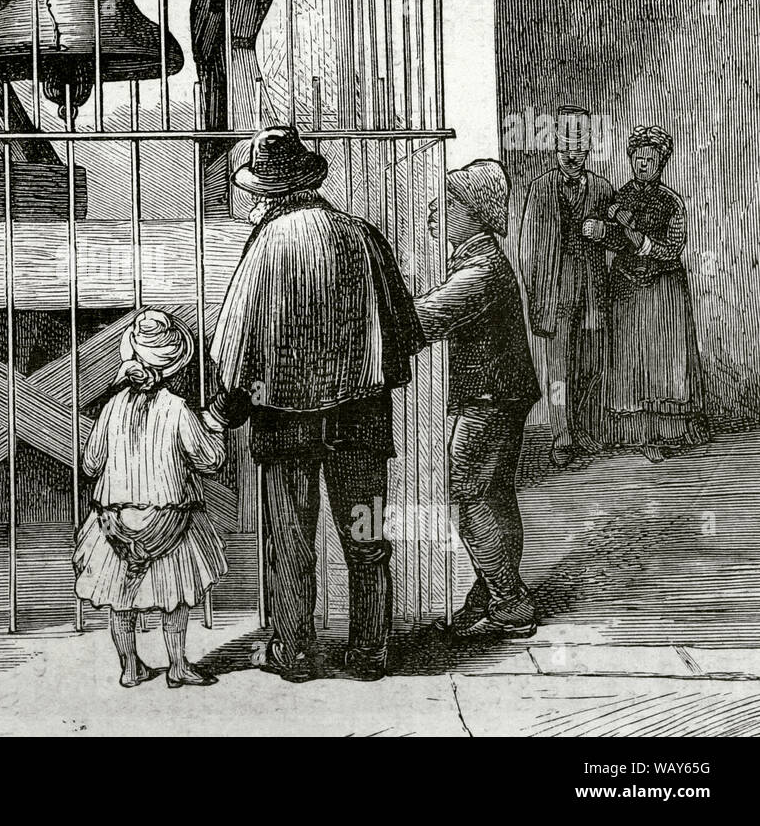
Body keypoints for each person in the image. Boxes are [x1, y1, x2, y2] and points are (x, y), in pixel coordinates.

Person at [204, 126, 425, 682]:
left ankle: (295, 652)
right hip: (360, 418)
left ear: (267, 194)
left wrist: (222, 414)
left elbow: (237, 348)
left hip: (284, 421)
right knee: (367, 534)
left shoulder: (266, 247)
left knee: (290, 539)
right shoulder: (362, 235)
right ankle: (371, 651)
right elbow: (403, 334)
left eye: (256, 196)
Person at [413, 161, 541, 639]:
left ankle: (510, 599)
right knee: (493, 490)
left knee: (471, 489)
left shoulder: (480, 271)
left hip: (491, 397)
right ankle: (493, 591)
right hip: (501, 393)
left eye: (446, 204)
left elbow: (424, 320)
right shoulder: (477, 263)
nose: (433, 211)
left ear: (473, 213)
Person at [74, 309, 228, 688]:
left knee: (120, 599)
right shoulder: (176, 408)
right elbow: (209, 460)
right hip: (169, 520)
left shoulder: (110, 409)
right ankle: (177, 665)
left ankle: (130, 668)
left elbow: (90, 465)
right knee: (174, 595)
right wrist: (214, 425)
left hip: (114, 522)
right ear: (172, 365)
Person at [582, 126, 709, 461]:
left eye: (649, 160)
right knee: (629, 359)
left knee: (664, 358)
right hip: (626, 286)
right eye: (637, 158)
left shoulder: (671, 202)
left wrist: (645, 244)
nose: (642, 165)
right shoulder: (619, 198)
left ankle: (670, 430)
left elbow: (672, 248)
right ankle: (638, 434)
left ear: (661, 163)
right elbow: (615, 239)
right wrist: (602, 233)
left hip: (663, 289)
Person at [518, 105, 614, 467]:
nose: (572, 158)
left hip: (592, 292)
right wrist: (538, 291)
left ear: (588, 150)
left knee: (590, 364)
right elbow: (528, 246)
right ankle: (563, 436)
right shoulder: (541, 189)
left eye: (579, 151)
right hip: (557, 293)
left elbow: (618, 238)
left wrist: (604, 232)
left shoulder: (602, 189)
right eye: (564, 151)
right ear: (555, 149)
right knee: (558, 371)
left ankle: (586, 430)